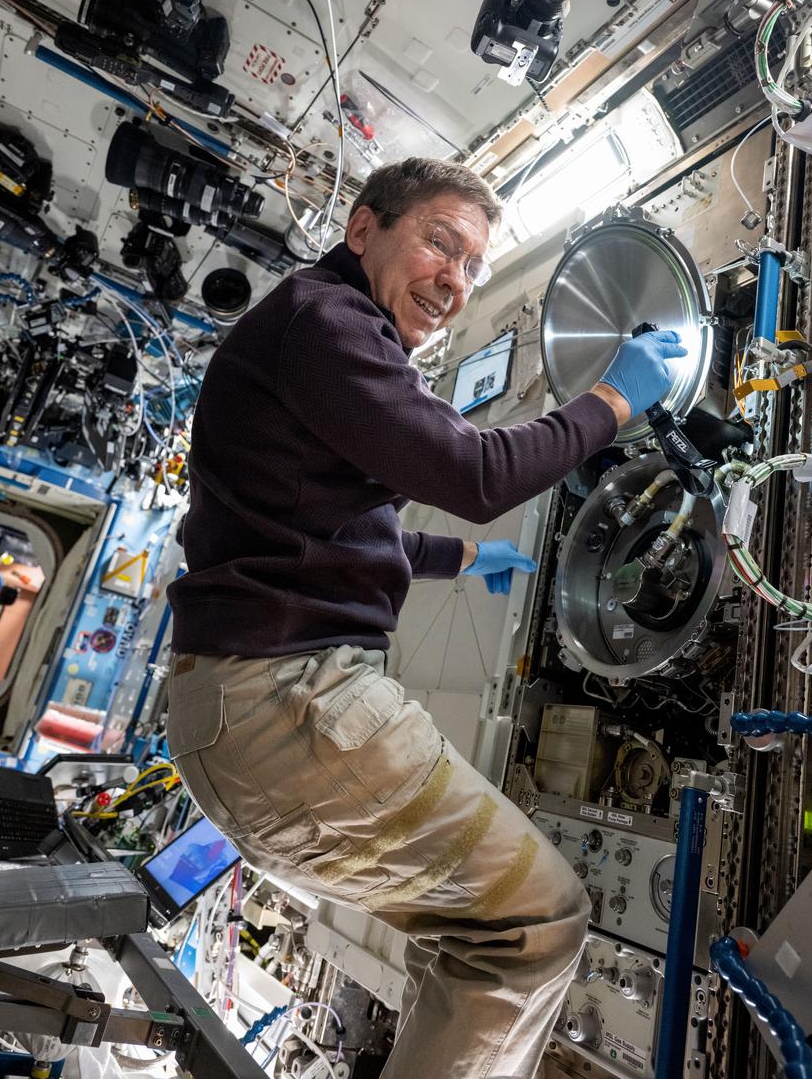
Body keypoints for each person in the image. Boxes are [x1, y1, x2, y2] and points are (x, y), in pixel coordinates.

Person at [166, 158, 686, 1078]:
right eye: (439, 243)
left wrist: (466, 560)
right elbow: (477, 475)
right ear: (363, 228)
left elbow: (326, 534)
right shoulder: (326, 321)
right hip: (284, 706)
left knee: (465, 933)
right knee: (533, 925)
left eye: (473, 266)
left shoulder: (312, 332)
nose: (455, 279)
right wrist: (612, 399)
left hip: (238, 718)